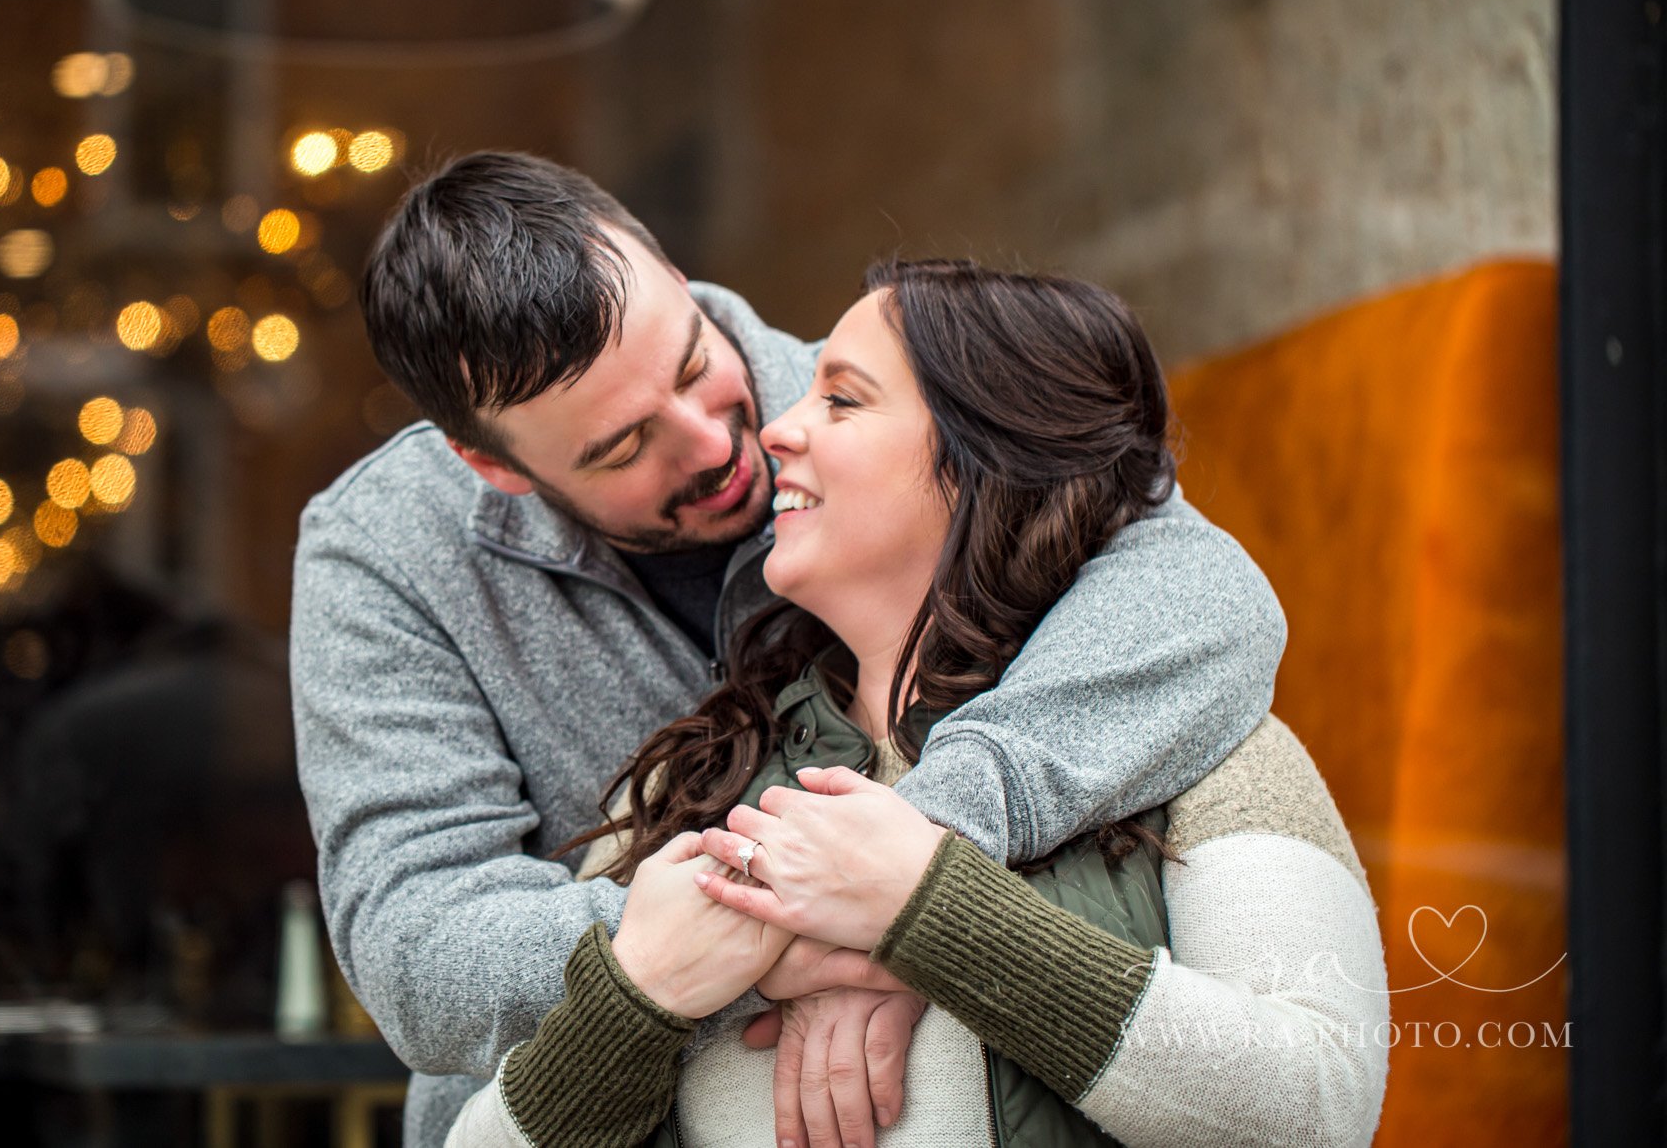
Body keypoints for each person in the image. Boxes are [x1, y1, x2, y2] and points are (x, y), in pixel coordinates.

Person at [289, 154, 1287, 1147]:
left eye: (691, 364)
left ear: (673, 276)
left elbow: (1199, 594)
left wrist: (912, 867)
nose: (715, 445)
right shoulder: (382, 550)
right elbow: (417, 952)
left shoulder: (892, 406)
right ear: (491, 465)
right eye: (623, 447)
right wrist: (744, 939)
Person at [443, 261, 1388, 1148]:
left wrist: (929, 913)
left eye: (843, 398)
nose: (775, 429)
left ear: (991, 457)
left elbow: (1315, 1102)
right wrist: (638, 996)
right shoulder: (692, 785)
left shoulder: (1203, 745)